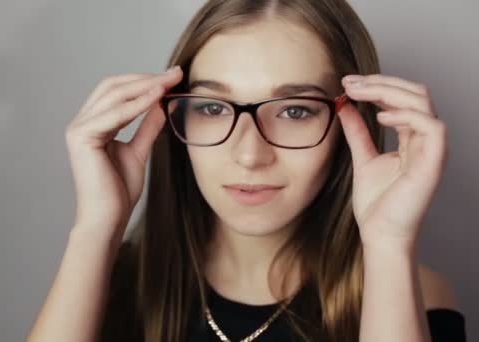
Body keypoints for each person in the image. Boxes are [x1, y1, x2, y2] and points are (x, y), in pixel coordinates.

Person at [26, 0, 467, 341]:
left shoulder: (414, 295)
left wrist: (389, 243)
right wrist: (94, 230)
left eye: (295, 110)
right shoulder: (107, 280)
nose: (250, 154)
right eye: (213, 107)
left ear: (349, 126)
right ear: (173, 118)